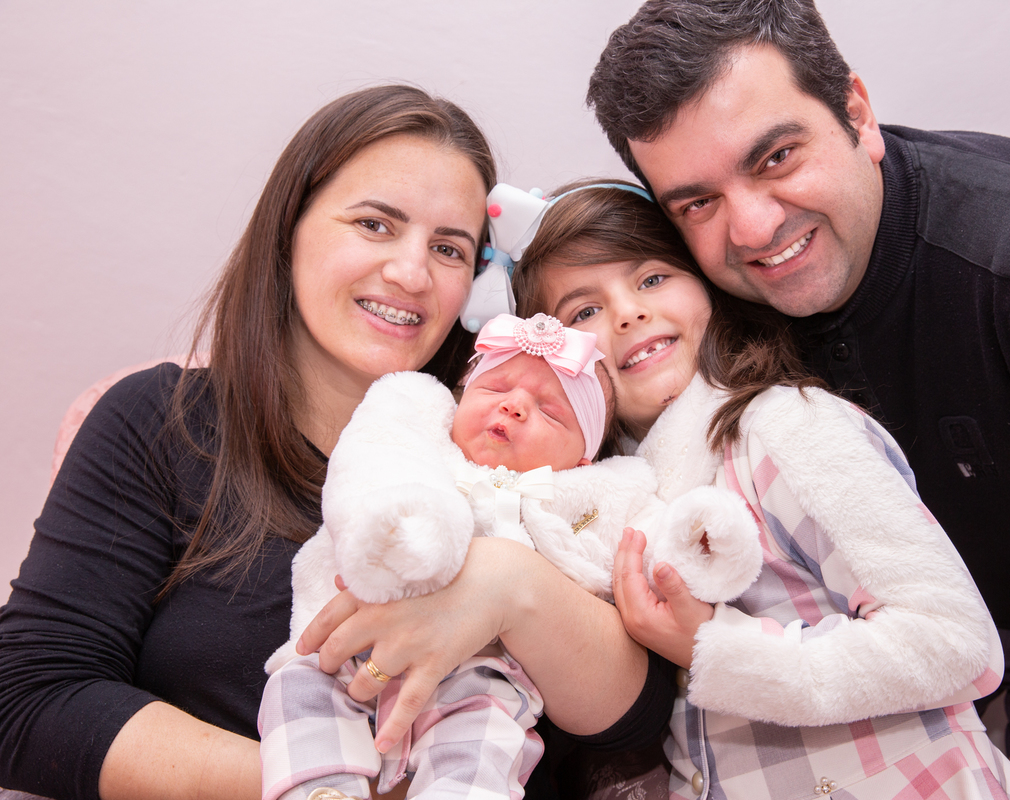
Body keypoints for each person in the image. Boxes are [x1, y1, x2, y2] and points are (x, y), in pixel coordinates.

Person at [584, 2, 1010, 799]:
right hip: (880, 670)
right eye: (697, 201)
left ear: (858, 115)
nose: (754, 228)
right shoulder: (700, 299)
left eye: (775, 157)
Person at [0, 86, 671, 800]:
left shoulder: (530, 442)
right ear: (291, 226)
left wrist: (510, 588)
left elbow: (636, 728)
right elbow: (28, 698)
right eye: (376, 225)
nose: (411, 274)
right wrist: (321, 781)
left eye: (449, 248)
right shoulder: (161, 422)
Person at [503, 180, 1010, 800]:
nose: (626, 313)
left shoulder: (785, 426)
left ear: (705, 282)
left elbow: (956, 644)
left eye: (650, 278)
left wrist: (714, 649)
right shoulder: (607, 507)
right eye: (583, 311)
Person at [260, 312, 760, 800]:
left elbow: (654, 537)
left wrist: (705, 539)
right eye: (496, 390)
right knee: (297, 691)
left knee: (487, 743)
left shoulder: (592, 492)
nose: (516, 406)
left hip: (480, 680)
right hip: (347, 649)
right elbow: (372, 469)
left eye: (551, 411)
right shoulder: (425, 446)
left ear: (583, 456)